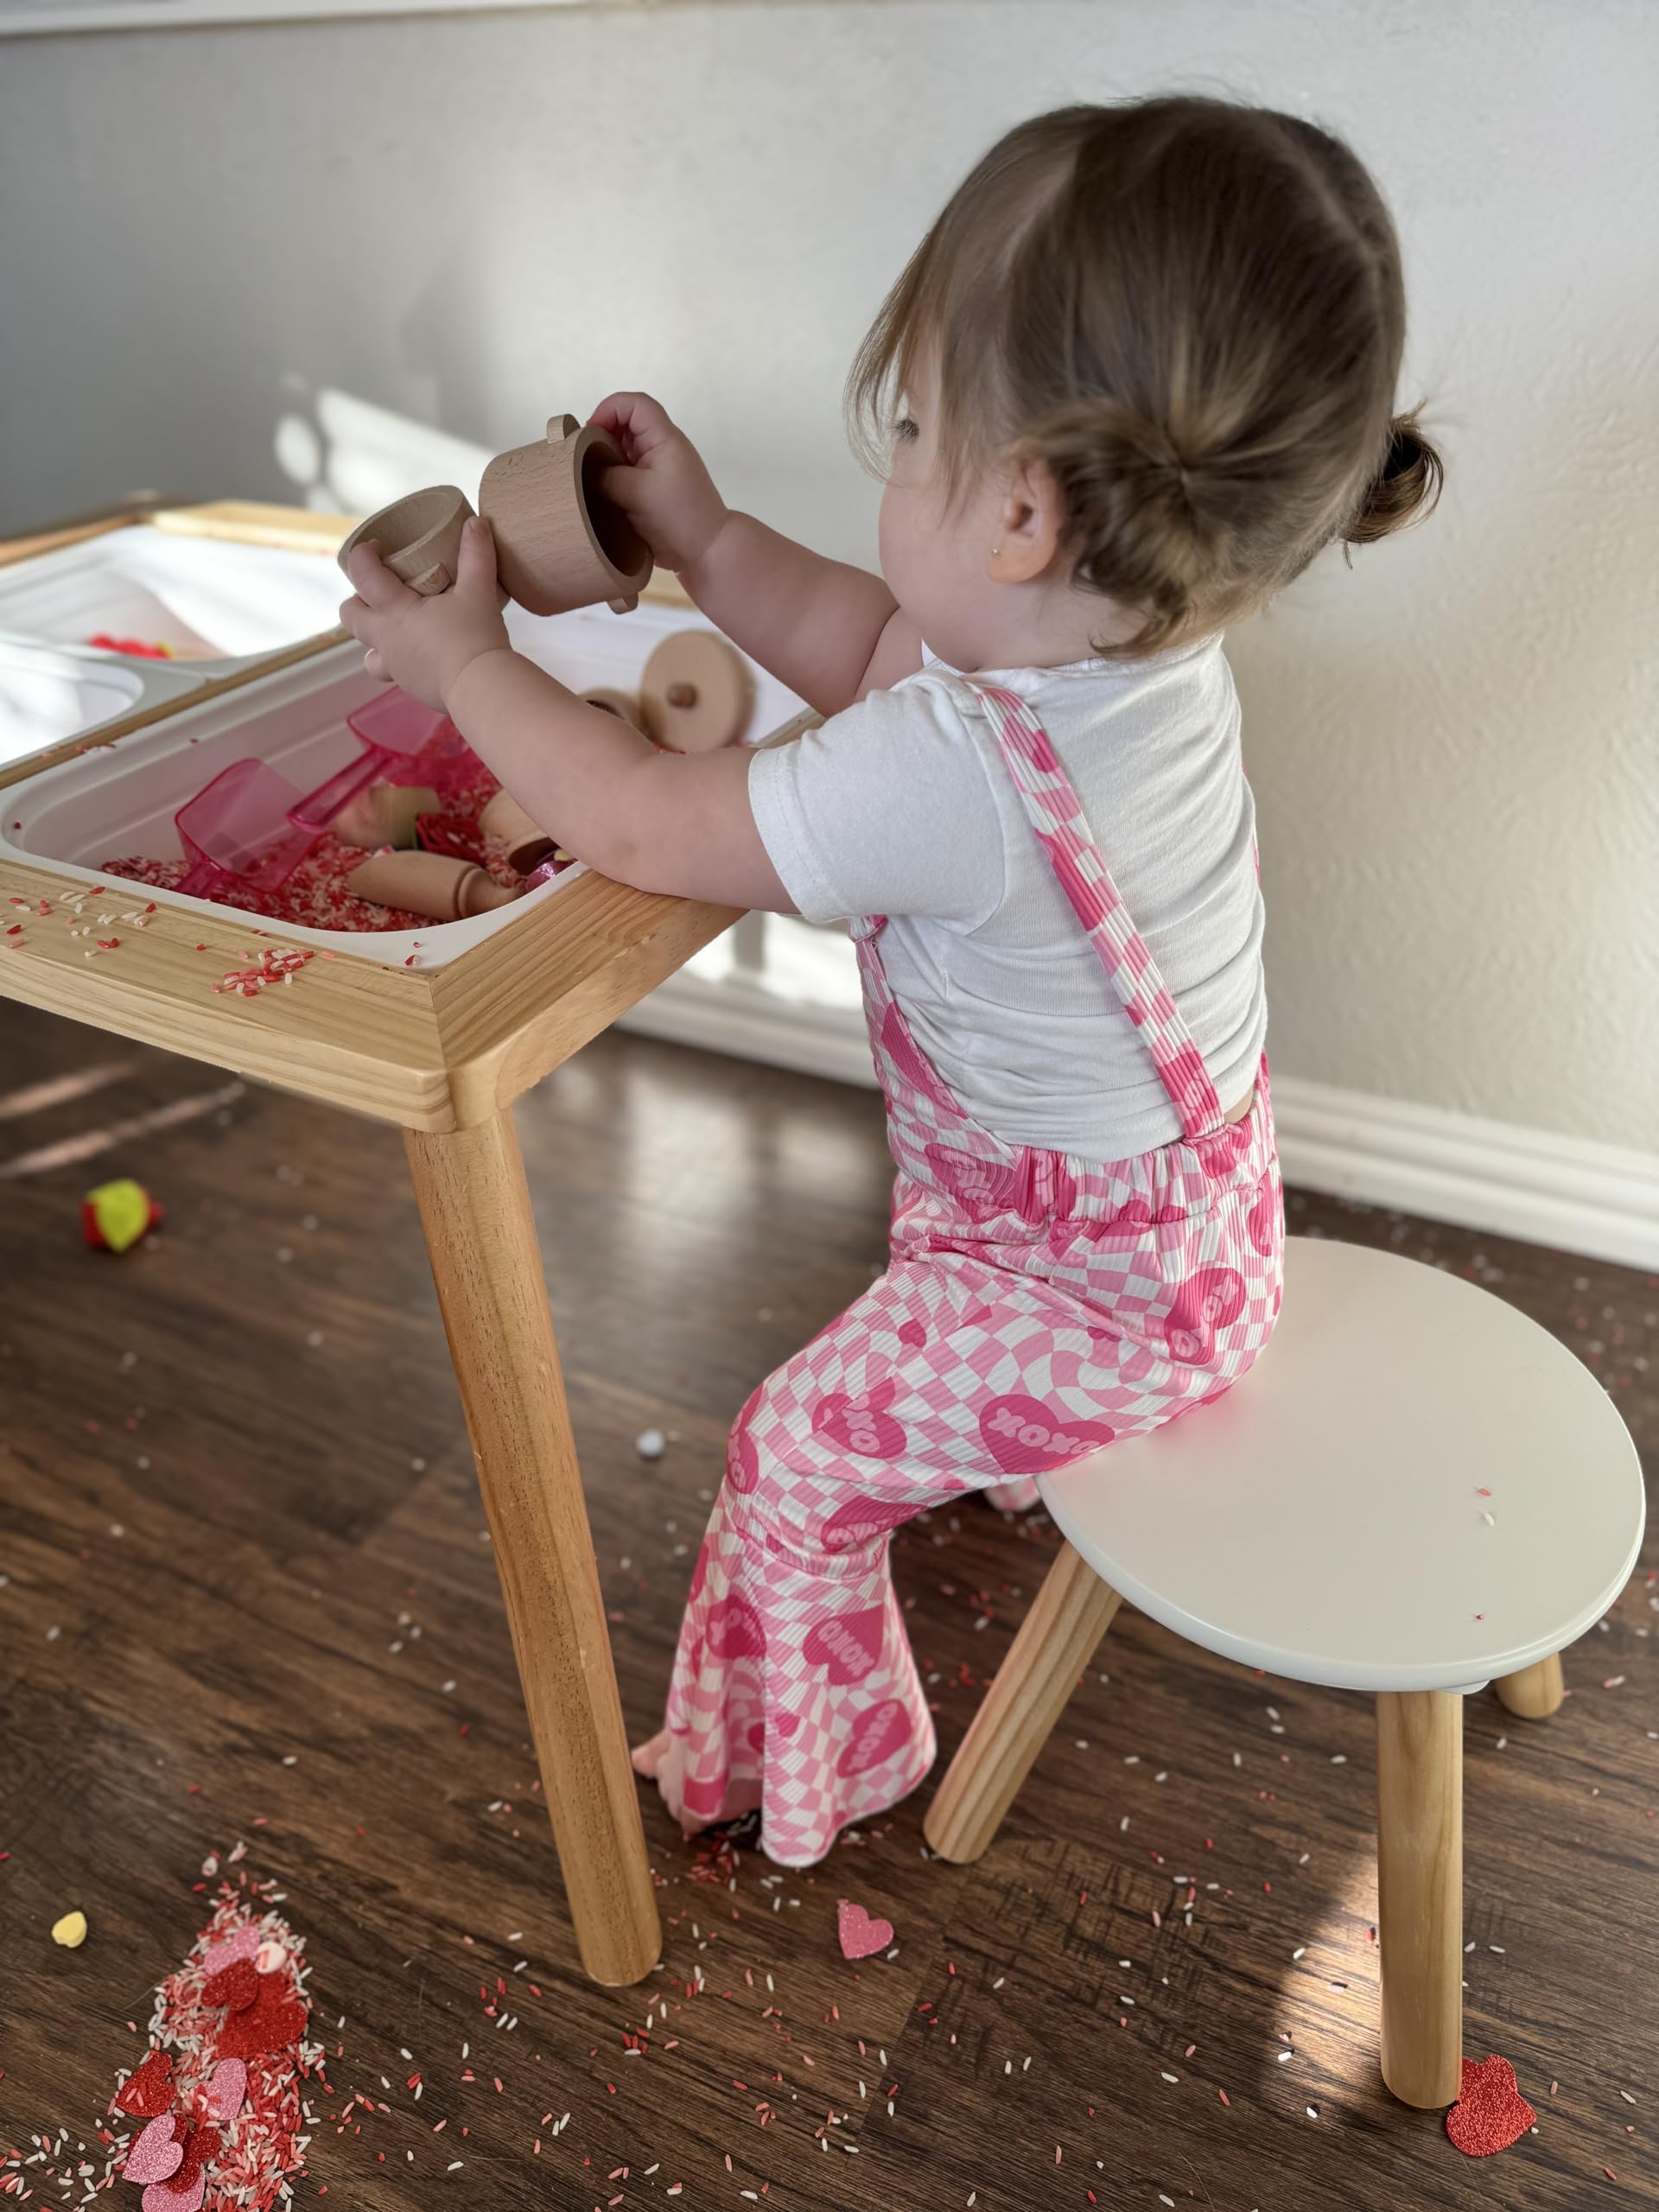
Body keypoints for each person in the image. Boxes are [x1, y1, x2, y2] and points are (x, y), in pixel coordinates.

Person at [340, 95, 1442, 1868]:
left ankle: (833, 1749)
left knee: (784, 1453)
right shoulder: (1130, 651)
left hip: (1098, 1291)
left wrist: (461, 653)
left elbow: (634, 811)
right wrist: (697, 534)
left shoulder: (961, 773)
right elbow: (870, 641)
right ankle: (1005, 1445)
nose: (899, 455)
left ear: (1020, 511)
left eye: (917, 427)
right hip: (1174, 1221)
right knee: (901, 1325)